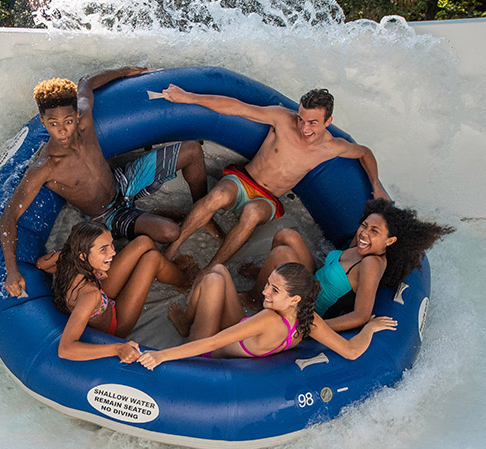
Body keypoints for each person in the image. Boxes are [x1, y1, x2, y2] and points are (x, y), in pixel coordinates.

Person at [0, 68, 209, 297]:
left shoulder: (85, 121)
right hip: (107, 215)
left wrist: (129, 71)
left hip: (122, 181)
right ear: (43, 122)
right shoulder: (46, 167)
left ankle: (203, 210)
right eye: (53, 124)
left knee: (192, 150)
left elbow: (86, 82)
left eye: (68, 121)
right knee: (170, 232)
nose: (62, 131)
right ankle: (143, 226)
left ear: (77, 115)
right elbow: (9, 217)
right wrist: (12, 270)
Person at [161, 84, 390, 268]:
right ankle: (173, 247)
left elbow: (364, 152)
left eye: (313, 123)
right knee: (216, 197)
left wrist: (376, 185)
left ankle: (212, 269)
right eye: (301, 119)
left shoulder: (332, 147)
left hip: (267, 199)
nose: (304, 128)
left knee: (251, 214)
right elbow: (237, 107)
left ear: (328, 122)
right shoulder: (282, 118)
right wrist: (188, 96)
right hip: (244, 180)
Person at [241, 198, 455, 332]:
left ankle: (256, 298)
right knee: (287, 235)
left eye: (374, 231)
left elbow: (361, 315)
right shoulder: (361, 243)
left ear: (390, 241)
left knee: (282, 253)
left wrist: (312, 328)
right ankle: (263, 276)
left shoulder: (371, 264)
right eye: (365, 225)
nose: (364, 233)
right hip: (316, 279)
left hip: (311, 305)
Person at [137, 262, 397, 370]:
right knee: (218, 270)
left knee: (213, 278)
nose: (265, 291)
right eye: (268, 284)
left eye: (274, 289)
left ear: (294, 298)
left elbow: (212, 343)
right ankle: (189, 314)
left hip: (209, 350)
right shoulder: (309, 319)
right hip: (242, 333)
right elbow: (351, 351)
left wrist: (162, 355)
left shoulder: (268, 319)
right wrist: (369, 329)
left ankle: (186, 323)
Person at [35, 221, 193, 363]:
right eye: (103, 249)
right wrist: (117, 348)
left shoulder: (69, 258)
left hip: (99, 289)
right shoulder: (89, 295)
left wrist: (94, 268)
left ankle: (170, 268)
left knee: (143, 242)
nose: (113, 252)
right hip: (116, 324)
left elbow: (40, 264)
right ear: (83, 255)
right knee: (152, 259)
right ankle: (186, 282)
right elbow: (65, 349)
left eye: (111, 245)